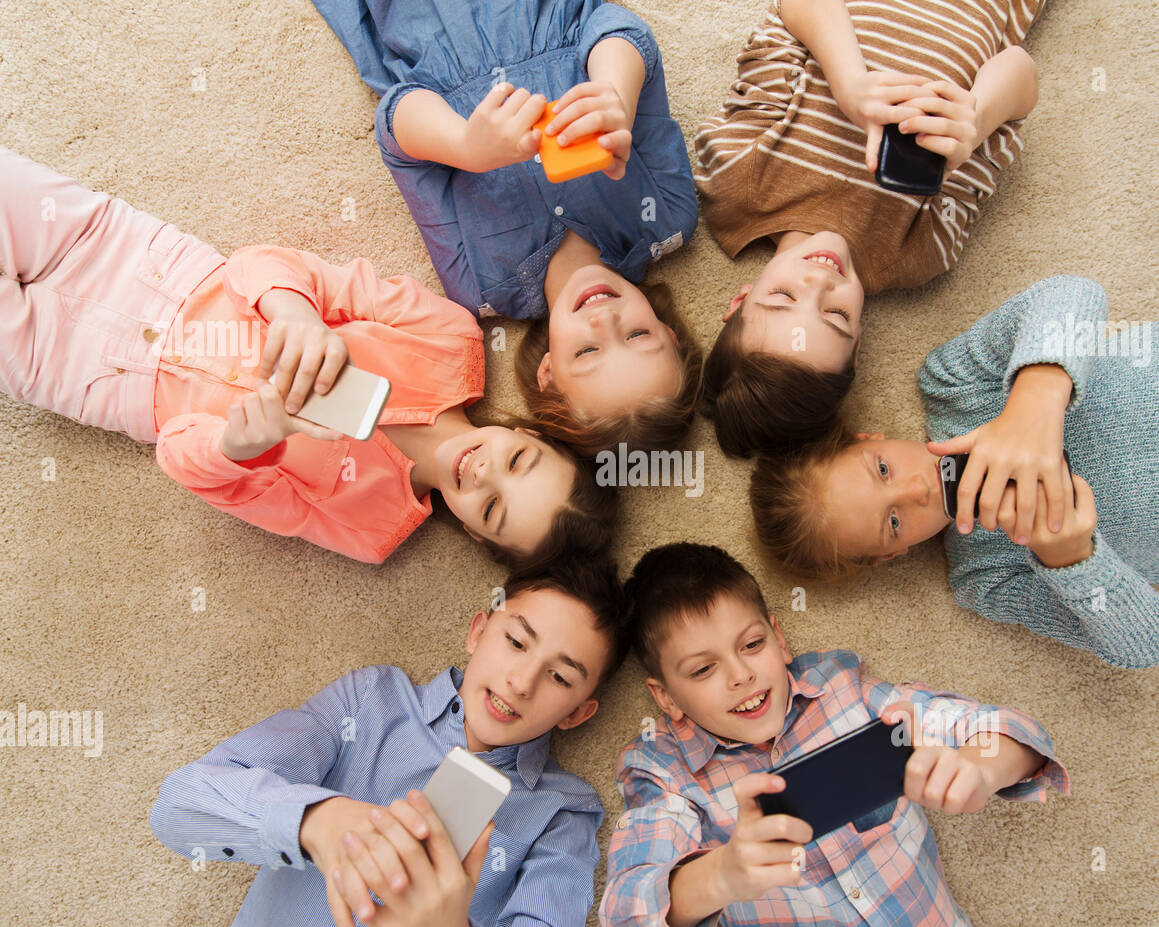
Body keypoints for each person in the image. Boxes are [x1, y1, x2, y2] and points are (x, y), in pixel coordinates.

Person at [0, 147, 612, 567]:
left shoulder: (369, 528)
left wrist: (238, 449)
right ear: (529, 430)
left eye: (494, 509)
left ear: (479, 537)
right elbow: (262, 263)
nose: (485, 474)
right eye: (520, 461)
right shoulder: (451, 338)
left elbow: (183, 460)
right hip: (138, 259)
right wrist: (296, 313)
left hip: (98, 378)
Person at [750, 275, 1159, 668]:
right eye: (892, 523)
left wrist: (1033, 405)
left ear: (870, 437)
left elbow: (1075, 293)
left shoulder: (952, 384)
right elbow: (1150, 645)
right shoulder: (986, 578)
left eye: (884, 468)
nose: (916, 490)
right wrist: (1070, 557)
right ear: (893, 555)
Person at [599, 542, 1068, 927]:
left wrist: (980, 769)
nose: (741, 675)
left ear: (780, 640)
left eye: (752, 645)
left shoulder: (846, 691)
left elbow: (1013, 732)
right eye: (703, 670)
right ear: (666, 698)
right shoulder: (663, 770)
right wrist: (721, 874)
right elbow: (627, 919)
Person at [150, 559, 630, 927]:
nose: (522, 683)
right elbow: (178, 805)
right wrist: (317, 821)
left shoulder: (562, 812)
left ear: (576, 713)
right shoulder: (371, 700)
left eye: (560, 677)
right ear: (478, 631)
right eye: (516, 641)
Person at [310, 0, 703, 455]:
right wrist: (615, 94)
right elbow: (617, 25)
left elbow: (395, 123)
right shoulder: (668, 215)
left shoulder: (478, 287)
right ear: (668, 333)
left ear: (549, 373)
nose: (605, 320)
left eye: (588, 352)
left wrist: (463, 147)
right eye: (637, 336)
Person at [695, 0, 1042, 457]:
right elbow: (1021, 71)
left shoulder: (737, 184)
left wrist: (850, 83)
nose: (820, 281)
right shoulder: (919, 251)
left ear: (739, 299)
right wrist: (975, 121)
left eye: (783, 298)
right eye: (836, 316)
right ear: (858, 344)